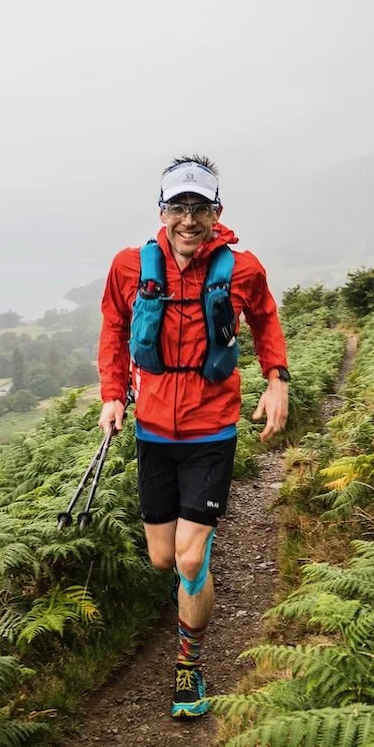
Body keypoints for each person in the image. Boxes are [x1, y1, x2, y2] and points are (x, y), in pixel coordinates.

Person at [97, 155, 291, 718]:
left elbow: (266, 319)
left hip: (212, 428)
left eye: (199, 208)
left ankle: (189, 667)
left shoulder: (242, 269)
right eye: (179, 207)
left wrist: (276, 380)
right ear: (163, 211)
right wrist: (114, 393)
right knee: (162, 558)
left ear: (216, 212)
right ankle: (195, 567)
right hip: (154, 430)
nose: (188, 219)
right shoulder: (130, 266)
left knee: (187, 558)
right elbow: (113, 327)